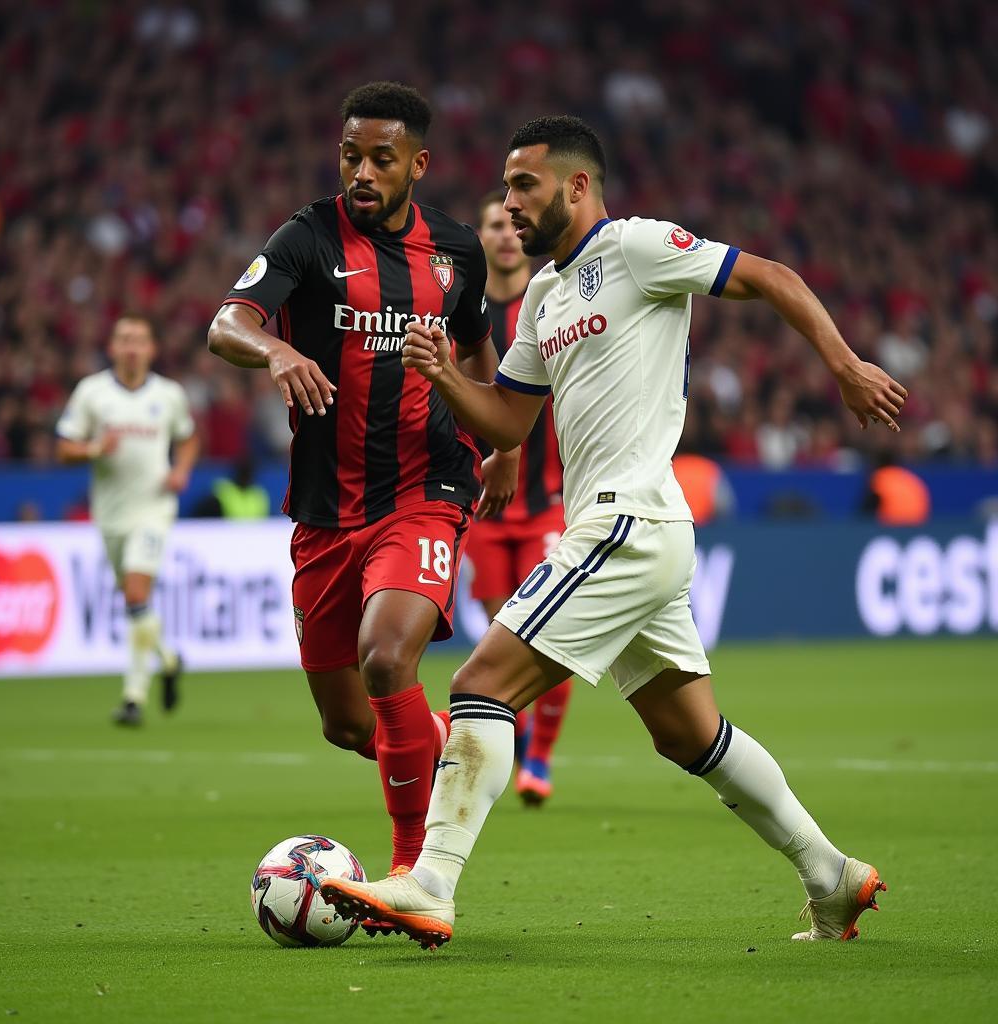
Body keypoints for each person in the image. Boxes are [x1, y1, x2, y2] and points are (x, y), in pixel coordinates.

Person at [320, 116, 907, 948]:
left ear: (578, 185)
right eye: (507, 188)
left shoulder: (635, 247)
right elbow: (510, 422)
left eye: (526, 186)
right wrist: (447, 374)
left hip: (628, 522)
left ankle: (430, 882)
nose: (512, 205)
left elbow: (769, 275)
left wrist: (844, 363)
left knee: (480, 685)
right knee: (687, 733)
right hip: (632, 531)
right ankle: (832, 876)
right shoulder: (541, 299)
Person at [207, 83, 510, 922]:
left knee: (387, 659)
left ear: (418, 163)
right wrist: (272, 350)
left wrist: (506, 445)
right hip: (324, 510)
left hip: (425, 486)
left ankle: (416, 876)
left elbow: (490, 358)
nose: (363, 171)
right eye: (351, 155)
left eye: (381, 157)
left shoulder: (456, 252)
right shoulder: (307, 236)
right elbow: (225, 325)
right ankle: (453, 755)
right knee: (349, 725)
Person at [467, 190, 572, 806]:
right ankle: (524, 728)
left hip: (546, 500)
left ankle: (538, 757)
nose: (506, 235)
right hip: (481, 505)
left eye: (512, 224)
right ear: (479, 238)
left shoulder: (555, 300)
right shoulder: (465, 313)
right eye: (492, 226)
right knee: (499, 631)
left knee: (547, 629)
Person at [56, 314, 197, 725]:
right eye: (124, 339)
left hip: (153, 509)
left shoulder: (168, 394)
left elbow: (188, 437)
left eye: (139, 339)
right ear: (113, 348)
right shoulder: (93, 393)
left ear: (151, 349)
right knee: (136, 602)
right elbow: (64, 449)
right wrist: (95, 448)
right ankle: (169, 661)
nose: (132, 346)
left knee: (136, 594)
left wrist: (181, 469)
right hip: (111, 513)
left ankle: (133, 697)